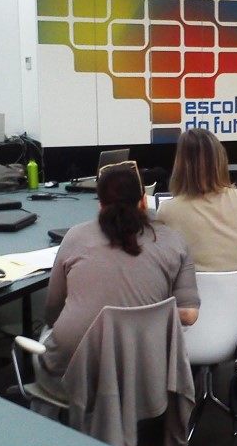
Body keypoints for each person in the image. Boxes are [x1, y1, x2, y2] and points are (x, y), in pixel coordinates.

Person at [35, 160, 200, 400]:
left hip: (74, 377)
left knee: (46, 335)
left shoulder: (75, 237)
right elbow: (189, 314)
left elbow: (53, 309)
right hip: (145, 376)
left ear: (100, 205)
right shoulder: (175, 241)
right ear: (144, 201)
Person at [156, 128, 237, 272]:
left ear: (179, 165)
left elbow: (161, 265)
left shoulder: (167, 211)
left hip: (195, 287)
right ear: (221, 160)